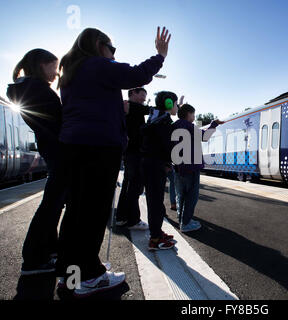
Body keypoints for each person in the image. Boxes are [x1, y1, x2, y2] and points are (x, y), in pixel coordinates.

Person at [55, 26, 171, 297]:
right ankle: (91, 275)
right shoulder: (97, 64)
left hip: (73, 146)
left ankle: (70, 276)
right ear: (98, 44)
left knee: (76, 212)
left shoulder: (70, 72)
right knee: (94, 211)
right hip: (98, 146)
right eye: (112, 49)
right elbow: (136, 75)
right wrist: (160, 56)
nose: (113, 55)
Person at [6, 49, 67, 275]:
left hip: (51, 149)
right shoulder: (36, 89)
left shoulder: (25, 88)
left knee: (54, 202)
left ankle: (48, 250)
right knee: (51, 204)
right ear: (42, 64)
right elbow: (58, 119)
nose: (56, 73)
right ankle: (33, 258)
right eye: (54, 67)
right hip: (58, 150)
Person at [172, 104, 223, 232]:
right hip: (191, 167)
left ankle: (181, 219)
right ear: (188, 114)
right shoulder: (189, 126)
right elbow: (205, 137)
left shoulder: (173, 126)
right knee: (191, 196)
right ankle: (186, 223)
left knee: (180, 194)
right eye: (193, 114)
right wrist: (214, 124)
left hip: (177, 167)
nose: (194, 117)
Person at [140, 91, 180, 250]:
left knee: (155, 200)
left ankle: (157, 232)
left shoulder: (155, 117)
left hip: (151, 163)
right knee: (155, 201)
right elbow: (167, 146)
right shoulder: (163, 122)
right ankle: (155, 239)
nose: (176, 106)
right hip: (155, 165)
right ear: (169, 103)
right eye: (175, 103)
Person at [116, 88, 150, 230]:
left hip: (131, 151)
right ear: (133, 93)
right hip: (134, 152)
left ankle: (122, 217)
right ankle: (133, 220)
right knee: (134, 186)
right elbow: (150, 110)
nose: (144, 97)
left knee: (128, 185)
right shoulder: (130, 105)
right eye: (142, 94)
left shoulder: (131, 108)